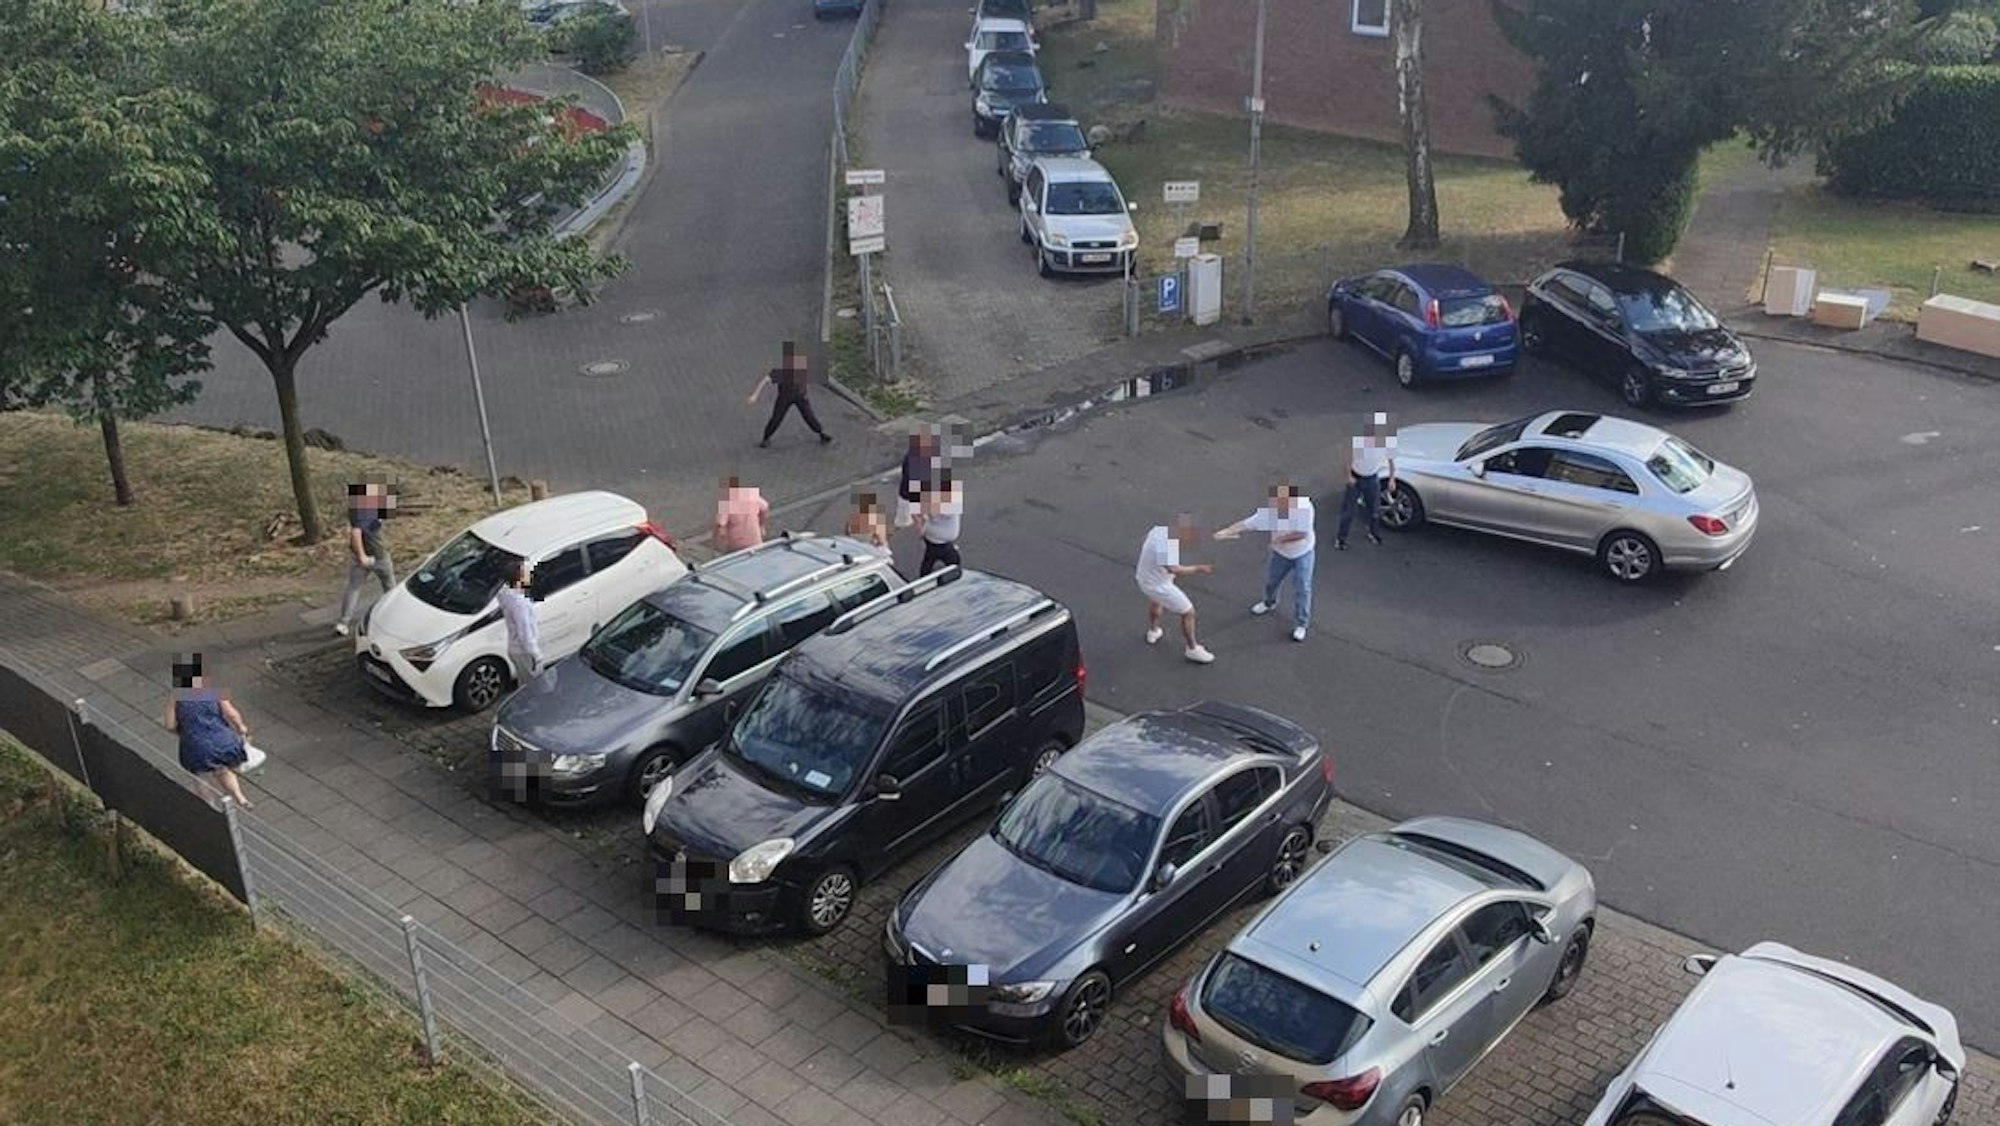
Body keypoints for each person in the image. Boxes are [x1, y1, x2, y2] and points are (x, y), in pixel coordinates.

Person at [1216, 482, 1317, 642]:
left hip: (1303, 553)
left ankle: (1301, 623)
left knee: (1302, 587)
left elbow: (1301, 533)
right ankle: (1269, 602)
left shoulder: (1305, 508)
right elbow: (1246, 524)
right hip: (1281, 554)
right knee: (1272, 581)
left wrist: (1278, 540)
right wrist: (1228, 530)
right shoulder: (1271, 514)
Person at [164, 654, 254, 809]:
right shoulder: (215, 691)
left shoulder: (176, 697)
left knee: (200, 776)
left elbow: (170, 725)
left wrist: (182, 731)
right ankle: (241, 799)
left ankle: (210, 807)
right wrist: (241, 727)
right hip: (221, 741)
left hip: (195, 745)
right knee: (223, 770)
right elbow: (231, 713)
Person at [1136, 514, 1217, 664]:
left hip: (1144, 577)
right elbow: (1175, 569)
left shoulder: (1157, 531)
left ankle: (1154, 631)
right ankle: (1192, 649)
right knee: (1188, 612)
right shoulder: (1168, 547)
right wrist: (1199, 568)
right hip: (1158, 585)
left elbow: (1144, 541)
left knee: (1156, 602)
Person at [334, 480, 395, 637]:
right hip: (378, 556)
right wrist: (363, 556)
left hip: (359, 557)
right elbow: (356, 533)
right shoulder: (368, 511)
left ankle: (343, 622)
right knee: (390, 587)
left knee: (354, 588)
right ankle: (392, 616)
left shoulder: (354, 511)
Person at [748, 341, 832, 448]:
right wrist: (755, 395)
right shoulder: (783, 372)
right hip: (785, 398)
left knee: (809, 416)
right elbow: (765, 380)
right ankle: (766, 438)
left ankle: (821, 433)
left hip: (800, 396)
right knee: (776, 418)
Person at [1336, 412, 1397, 549]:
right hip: (1357, 478)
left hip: (1372, 478)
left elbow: (1392, 462)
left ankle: (1373, 533)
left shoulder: (1387, 443)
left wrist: (1392, 479)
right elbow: (1348, 460)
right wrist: (1348, 477)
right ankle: (1341, 538)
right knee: (1348, 512)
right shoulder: (1361, 443)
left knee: (1374, 509)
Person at [497, 562, 542, 681]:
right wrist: (535, 653)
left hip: (515, 649)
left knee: (523, 681)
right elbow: (524, 630)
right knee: (534, 684)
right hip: (524, 652)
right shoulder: (519, 604)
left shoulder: (506, 595)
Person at [915, 472, 964, 576]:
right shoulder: (949, 508)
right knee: (953, 561)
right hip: (940, 542)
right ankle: (954, 575)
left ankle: (924, 576)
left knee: (929, 558)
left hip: (931, 537)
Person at [712, 476, 770, 552]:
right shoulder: (751, 496)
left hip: (736, 544)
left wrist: (716, 539)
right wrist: (761, 525)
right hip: (755, 540)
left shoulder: (728, 504)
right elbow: (765, 507)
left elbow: (720, 524)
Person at [896, 426, 938, 530]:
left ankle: (917, 522)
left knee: (911, 512)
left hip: (912, 492)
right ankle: (916, 526)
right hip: (911, 492)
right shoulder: (914, 458)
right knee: (906, 516)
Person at [845, 490, 892, 556]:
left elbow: (847, 534)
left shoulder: (852, 520)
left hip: (855, 549)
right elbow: (881, 540)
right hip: (871, 550)